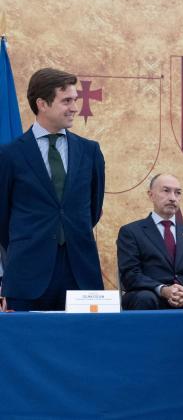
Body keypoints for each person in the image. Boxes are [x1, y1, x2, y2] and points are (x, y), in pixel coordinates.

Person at [0, 68, 105, 311]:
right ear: (42, 104)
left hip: (80, 274)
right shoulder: (9, 155)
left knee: (81, 346)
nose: (74, 108)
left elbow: (93, 207)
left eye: (74, 100)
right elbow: (3, 216)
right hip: (27, 276)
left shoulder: (90, 151)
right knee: (26, 347)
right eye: (66, 100)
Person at [117, 173, 183, 310]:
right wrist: (162, 290)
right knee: (144, 298)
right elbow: (130, 275)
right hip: (150, 294)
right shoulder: (131, 232)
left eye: (177, 193)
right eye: (166, 191)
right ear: (150, 195)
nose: (173, 198)